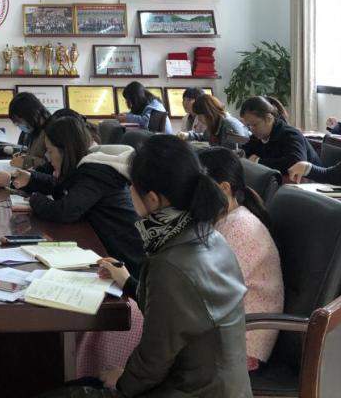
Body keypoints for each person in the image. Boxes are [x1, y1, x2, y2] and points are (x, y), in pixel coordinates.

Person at [45, 135, 251, 397]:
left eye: (131, 186)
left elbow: (153, 361)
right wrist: (129, 283)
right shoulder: (209, 237)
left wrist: (122, 382)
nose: (128, 193)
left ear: (152, 199)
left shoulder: (170, 263)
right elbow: (177, 314)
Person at [9, 114, 144, 274]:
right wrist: (31, 180)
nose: (48, 158)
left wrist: (34, 199)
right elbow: (60, 186)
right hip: (107, 250)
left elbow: (64, 212)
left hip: (126, 262)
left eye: (50, 151)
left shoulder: (95, 173)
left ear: (65, 151)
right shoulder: (85, 167)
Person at [198, 147, 284, 371]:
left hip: (242, 344)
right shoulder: (223, 218)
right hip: (223, 328)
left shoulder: (240, 228)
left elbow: (215, 291)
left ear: (224, 188)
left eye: (197, 188)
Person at [239, 96, 320, 175]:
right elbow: (245, 152)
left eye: (254, 125)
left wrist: (258, 162)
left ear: (269, 119)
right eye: (248, 126)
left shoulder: (290, 135)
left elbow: (296, 162)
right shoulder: (257, 136)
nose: (251, 129)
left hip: (311, 181)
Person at [179, 93, 248, 147]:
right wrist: (188, 135)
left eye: (200, 115)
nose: (199, 119)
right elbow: (205, 136)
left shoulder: (229, 124)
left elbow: (234, 152)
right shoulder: (215, 123)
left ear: (209, 112)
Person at [7, 91, 53, 168]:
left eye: (19, 121)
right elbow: (36, 155)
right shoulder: (34, 130)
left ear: (30, 115)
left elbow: (52, 165)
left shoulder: (51, 130)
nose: (18, 125)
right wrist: (24, 157)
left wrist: (26, 162)